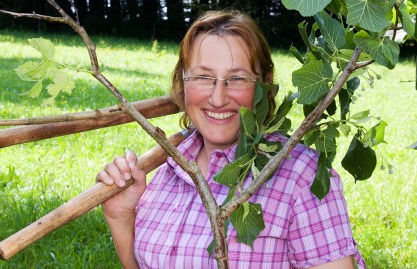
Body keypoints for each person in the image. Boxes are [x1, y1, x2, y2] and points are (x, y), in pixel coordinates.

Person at [96, 9, 366, 269]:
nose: (218, 97)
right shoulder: (170, 169)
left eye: (237, 78)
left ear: (264, 83)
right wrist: (120, 216)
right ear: (182, 81)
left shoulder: (302, 176)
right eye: (203, 77)